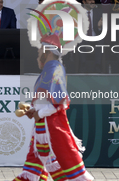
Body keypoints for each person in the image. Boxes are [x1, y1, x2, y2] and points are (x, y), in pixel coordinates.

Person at [13, 33, 93, 181]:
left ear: (47, 51)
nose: (37, 54)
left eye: (39, 51)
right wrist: (33, 111)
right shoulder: (49, 70)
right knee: (42, 166)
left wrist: (39, 113)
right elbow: (45, 101)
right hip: (43, 128)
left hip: (53, 128)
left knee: (70, 166)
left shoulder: (55, 69)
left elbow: (60, 102)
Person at [79, 0, 104, 73]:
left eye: (93, 0)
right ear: (84, 2)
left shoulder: (99, 12)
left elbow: (103, 31)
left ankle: (98, 66)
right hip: (83, 37)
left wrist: (99, 27)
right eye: (90, 0)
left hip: (95, 36)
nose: (92, 1)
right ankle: (83, 66)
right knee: (80, 41)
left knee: (101, 41)